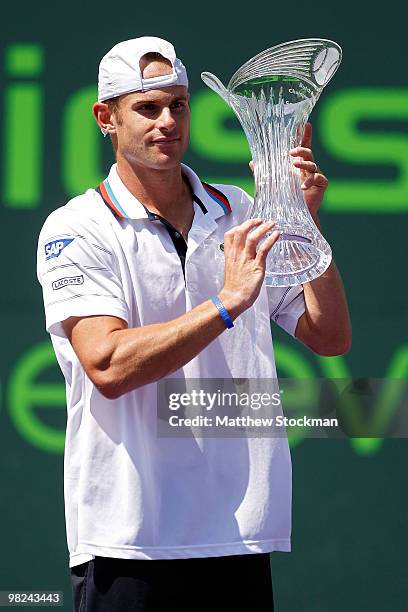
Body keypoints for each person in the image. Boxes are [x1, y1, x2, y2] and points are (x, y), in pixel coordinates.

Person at [36, 36, 351, 611]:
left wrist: (306, 225)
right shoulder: (77, 227)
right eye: (147, 107)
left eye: (178, 105)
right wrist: (226, 305)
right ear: (105, 117)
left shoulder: (241, 210)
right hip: (129, 542)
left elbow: (328, 336)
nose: (167, 122)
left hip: (239, 535)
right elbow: (107, 364)